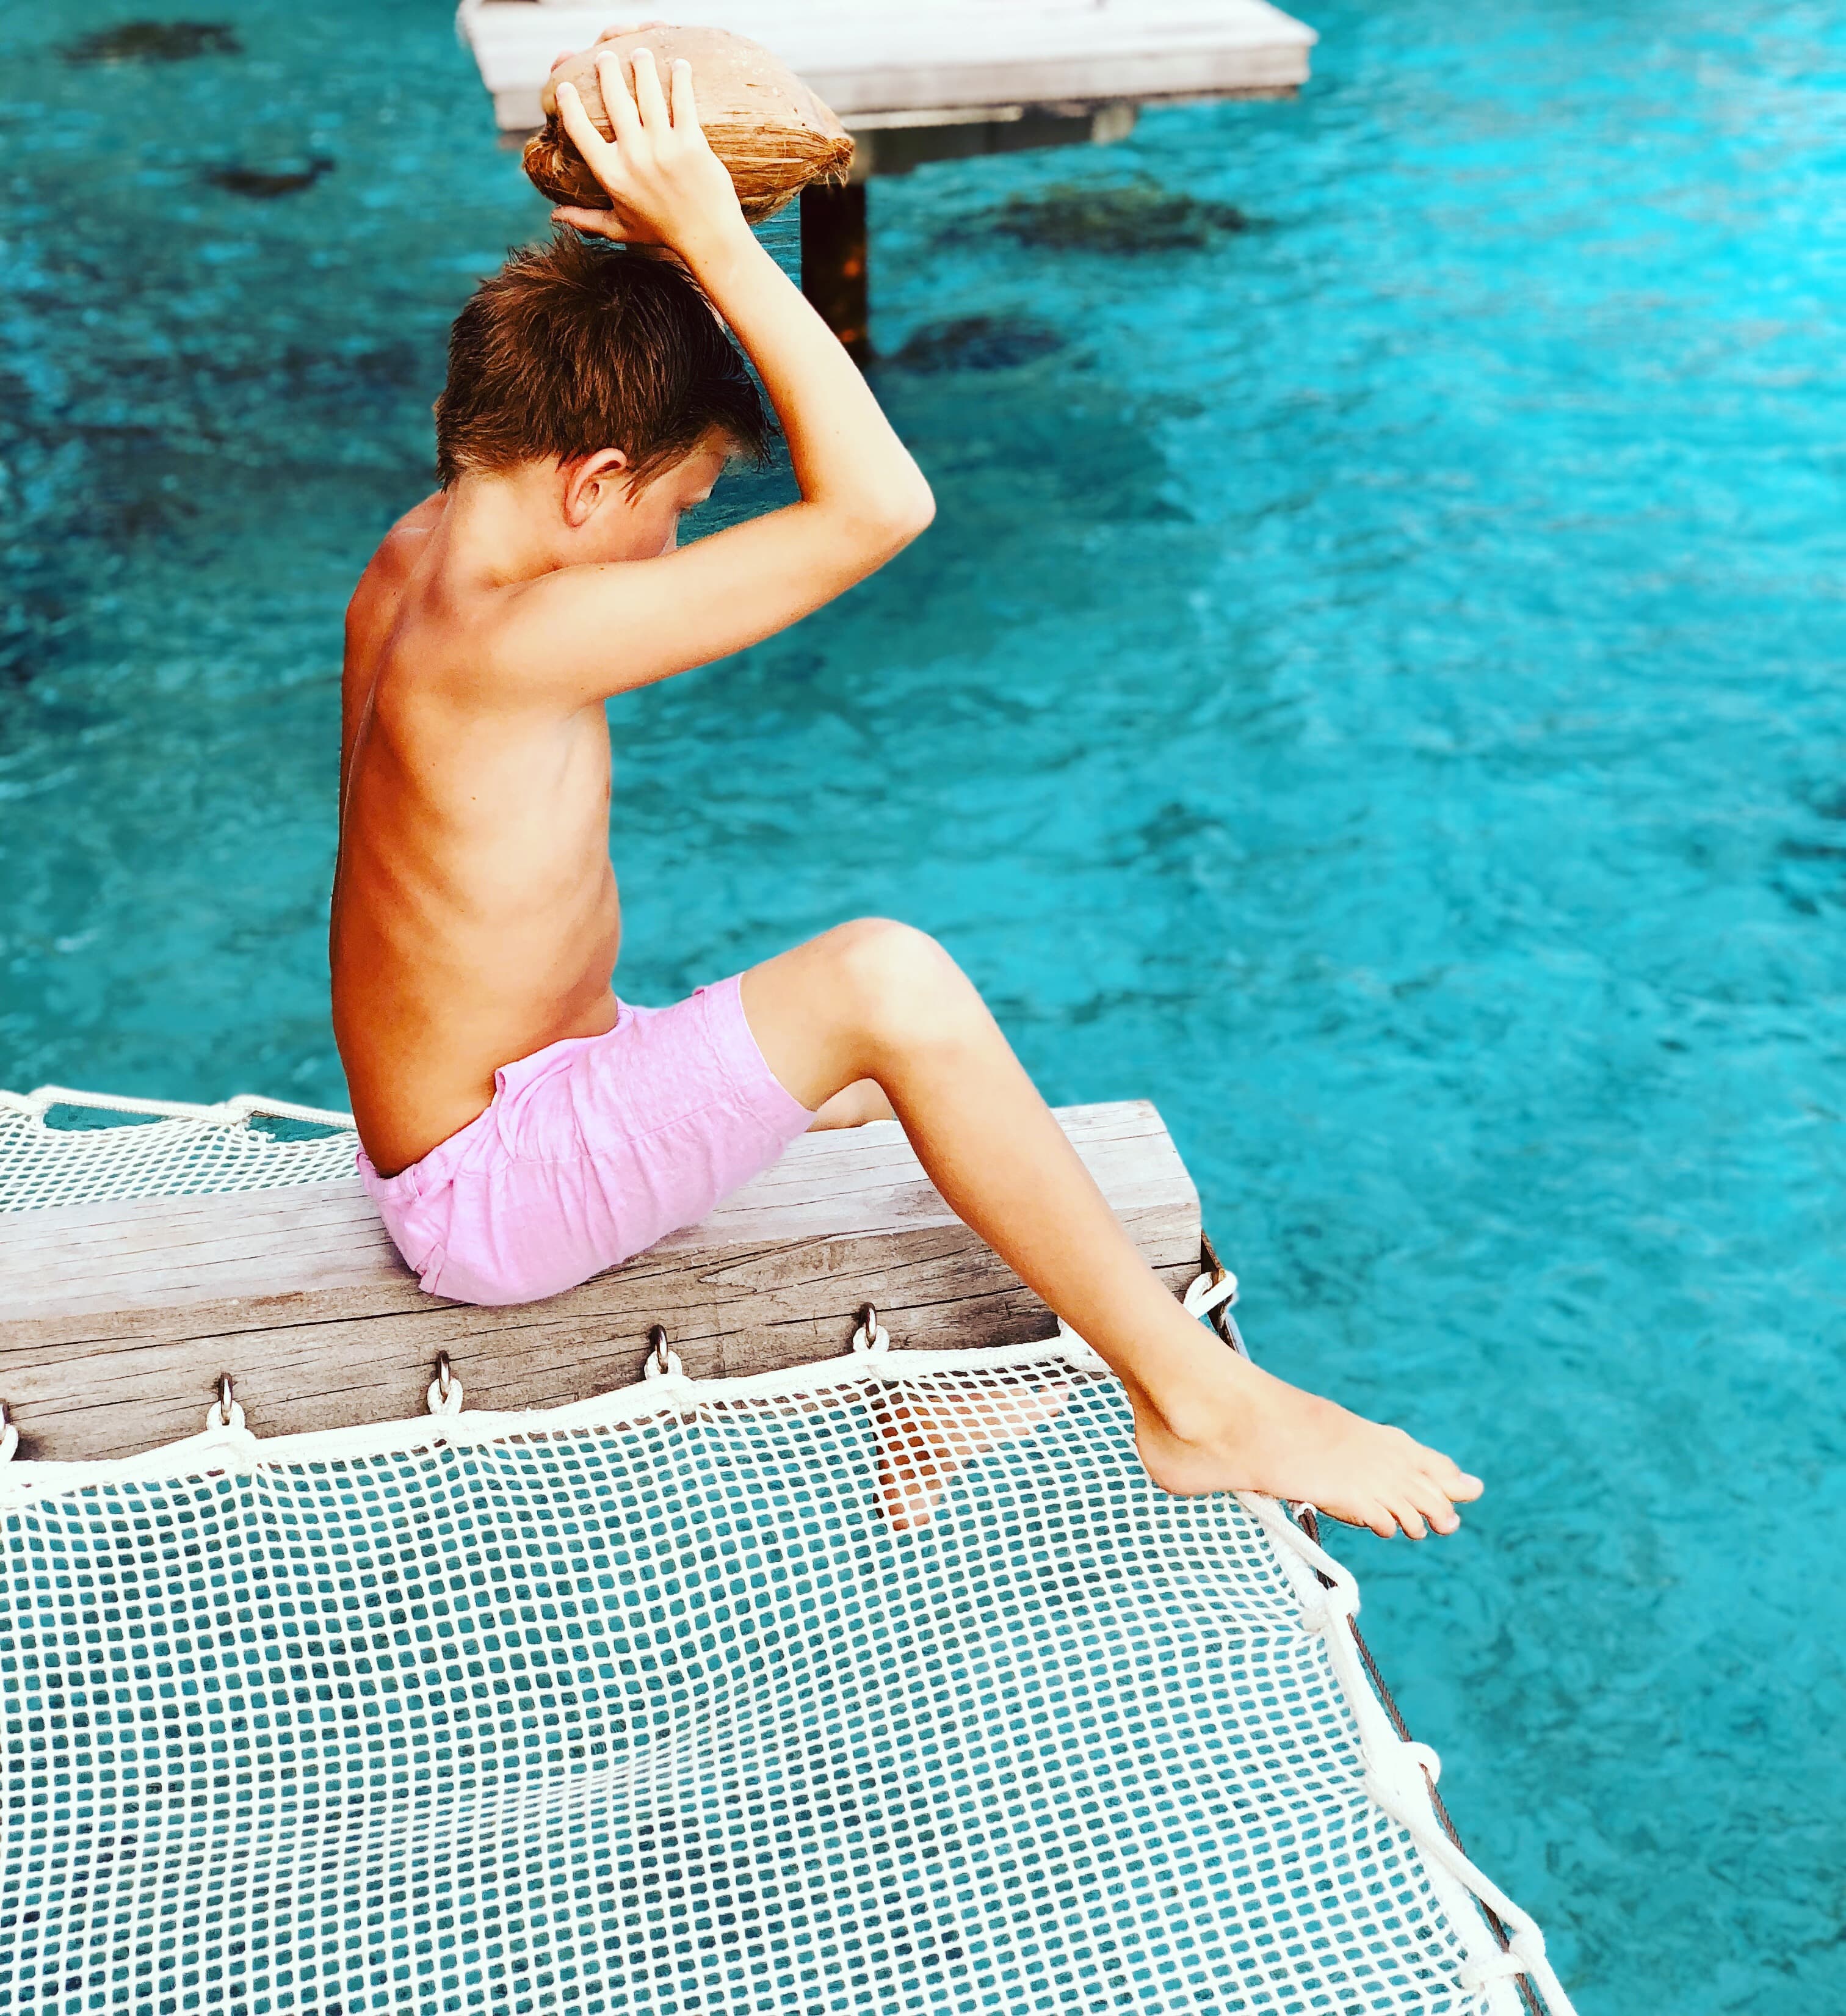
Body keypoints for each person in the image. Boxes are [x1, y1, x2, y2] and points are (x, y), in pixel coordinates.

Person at [330, 46, 1483, 1540]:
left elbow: (554, 374)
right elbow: (885, 504)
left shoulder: (418, 561)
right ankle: (1197, 1404)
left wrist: (649, 225)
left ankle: (939, 1389)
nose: (678, 554)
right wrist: (725, 243)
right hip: (495, 1186)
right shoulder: (506, 639)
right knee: (892, 980)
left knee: (912, 1084)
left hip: (501, 1114)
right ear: (595, 482)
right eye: (680, 513)